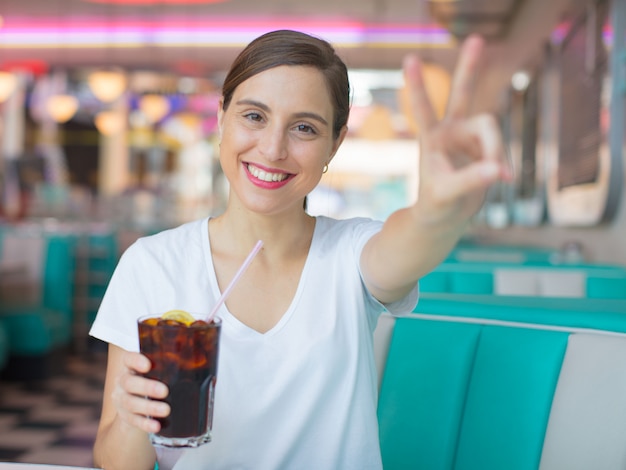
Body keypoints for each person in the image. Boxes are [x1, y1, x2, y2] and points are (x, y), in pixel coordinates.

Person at [90, 29, 511, 470]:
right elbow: (115, 460)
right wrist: (134, 419)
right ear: (222, 118)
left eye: (304, 128)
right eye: (254, 116)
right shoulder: (152, 263)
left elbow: (412, 241)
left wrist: (439, 210)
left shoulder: (352, 255)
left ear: (336, 143)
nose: (272, 149)